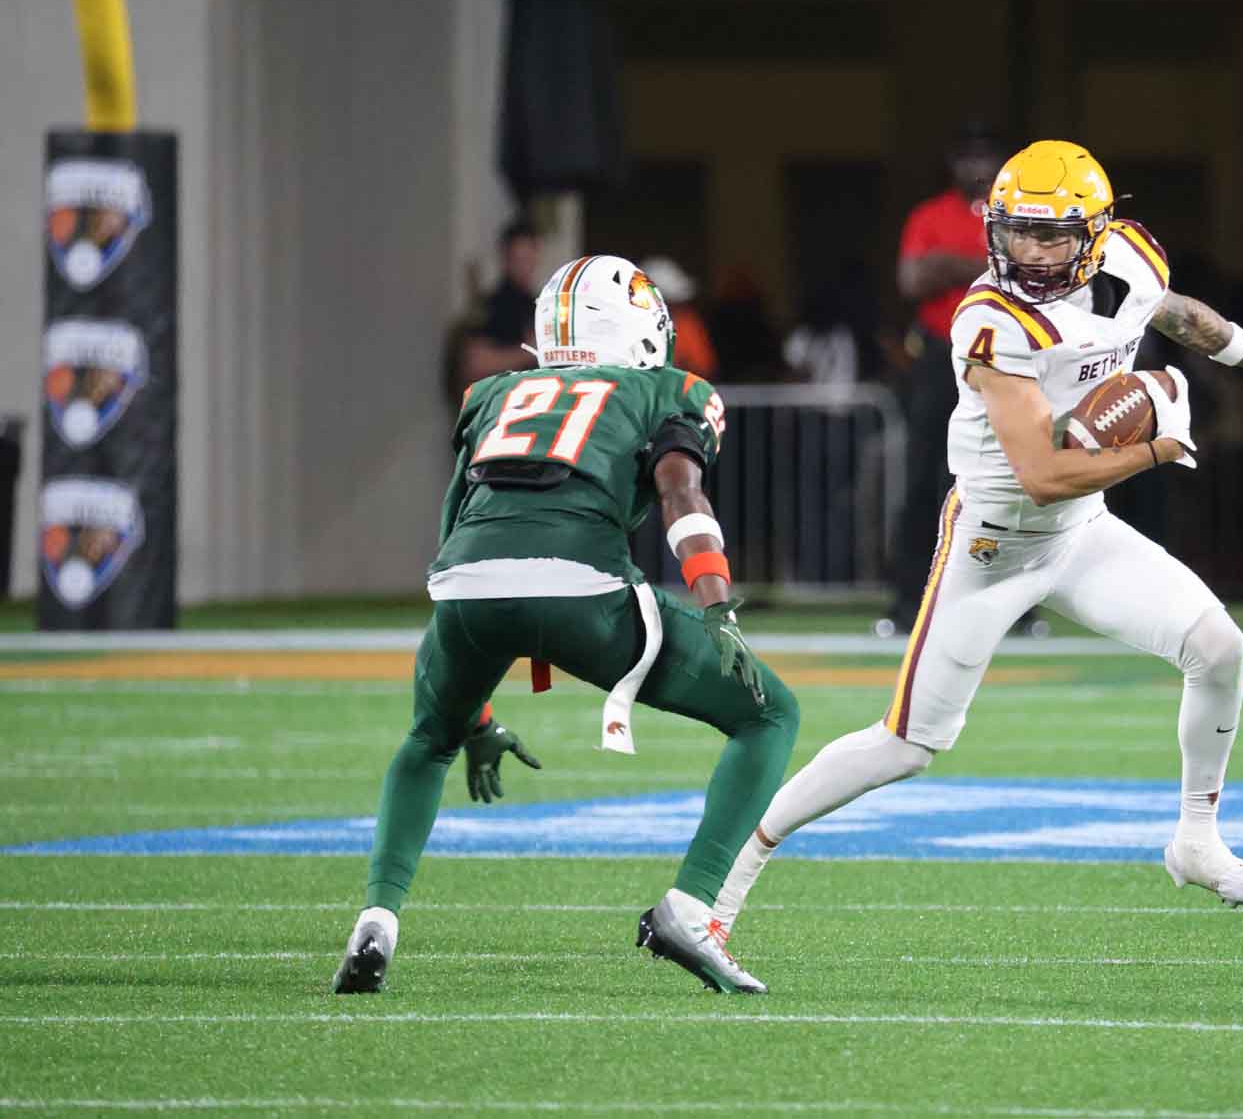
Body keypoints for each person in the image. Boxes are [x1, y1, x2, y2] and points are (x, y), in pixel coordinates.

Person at [711, 140, 1243, 927]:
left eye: (1051, 235)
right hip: (993, 545)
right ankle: (733, 865)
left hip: (1080, 533)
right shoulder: (992, 319)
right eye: (1017, 230)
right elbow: (1043, 475)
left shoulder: (1130, 256)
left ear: (1095, 234)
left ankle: (1198, 839)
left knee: (1219, 647)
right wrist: (1161, 446)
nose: (1030, 250)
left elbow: (1181, 315)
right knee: (906, 745)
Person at [333, 255, 800, 996]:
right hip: (581, 584)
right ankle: (690, 908)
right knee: (770, 714)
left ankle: (377, 918)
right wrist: (716, 603)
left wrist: (473, 709)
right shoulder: (666, 390)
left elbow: (459, 527)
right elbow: (681, 492)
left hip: (466, 586)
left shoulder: (492, 393)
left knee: (428, 740)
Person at [883, 122, 1005, 633]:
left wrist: (947, 266)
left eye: (986, 156)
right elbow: (912, 279)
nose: (976, 166)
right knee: (922, 476)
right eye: (966, 156)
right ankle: (908, 601)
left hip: (1001, 357)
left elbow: (1024, 272)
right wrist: (979, 264)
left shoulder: (1013, 213)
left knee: (1004, 477)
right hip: (940, 354)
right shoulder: (929, 215)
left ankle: (1008, 603)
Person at [455, 221, 545, 387]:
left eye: (529, 258)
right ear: (505, 258)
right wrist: (529, 352)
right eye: (518, 259)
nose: (524, 267)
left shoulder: (537, 306)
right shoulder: (492, 306)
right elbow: (475, 364)